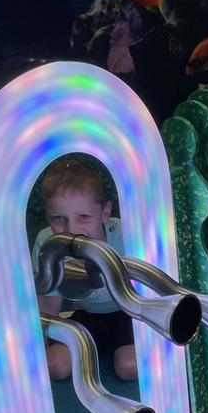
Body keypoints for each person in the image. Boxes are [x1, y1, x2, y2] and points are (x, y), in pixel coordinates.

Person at [31, 158, 137, 382]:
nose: (71, 229)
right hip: (89, 316)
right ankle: (101, 344)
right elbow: (49, 304)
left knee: (128, 367)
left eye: (84, 217)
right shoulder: (46, 242)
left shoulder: (127, 233)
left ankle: (115, 346)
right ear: (48, 216)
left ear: (105, 212)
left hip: (130, 313)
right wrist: (40, 341)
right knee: (56, 367)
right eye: (58, 219)